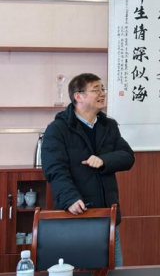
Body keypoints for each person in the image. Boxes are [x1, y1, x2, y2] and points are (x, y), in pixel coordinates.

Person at [42, 73, 135, 267]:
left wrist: (104, 160)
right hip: (75, 216)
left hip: (107, 217)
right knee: (79, 269)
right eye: (96, 90)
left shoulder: (108, 125)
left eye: (103, 89)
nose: (102, 94)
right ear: (78, 96)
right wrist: (69, 198)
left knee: (114, 269)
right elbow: (54, 169)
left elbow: (127, 156)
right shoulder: (58, 129)